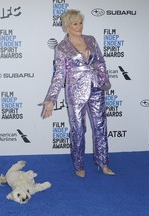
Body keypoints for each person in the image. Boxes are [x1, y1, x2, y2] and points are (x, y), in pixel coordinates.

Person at [39, 9, 115, 178]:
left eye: (81, 23)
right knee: (78, 130)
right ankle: (79, 165)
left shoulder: (91, 40)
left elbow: (100, 62)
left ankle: (103, 163)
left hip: (96, 88)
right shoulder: (62, 47)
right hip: (75, 93)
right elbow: (59, 75)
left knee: (100, 127)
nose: (79, 26)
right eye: (75, 23)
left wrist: (104, 82)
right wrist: (51, 99)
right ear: (67, 26)